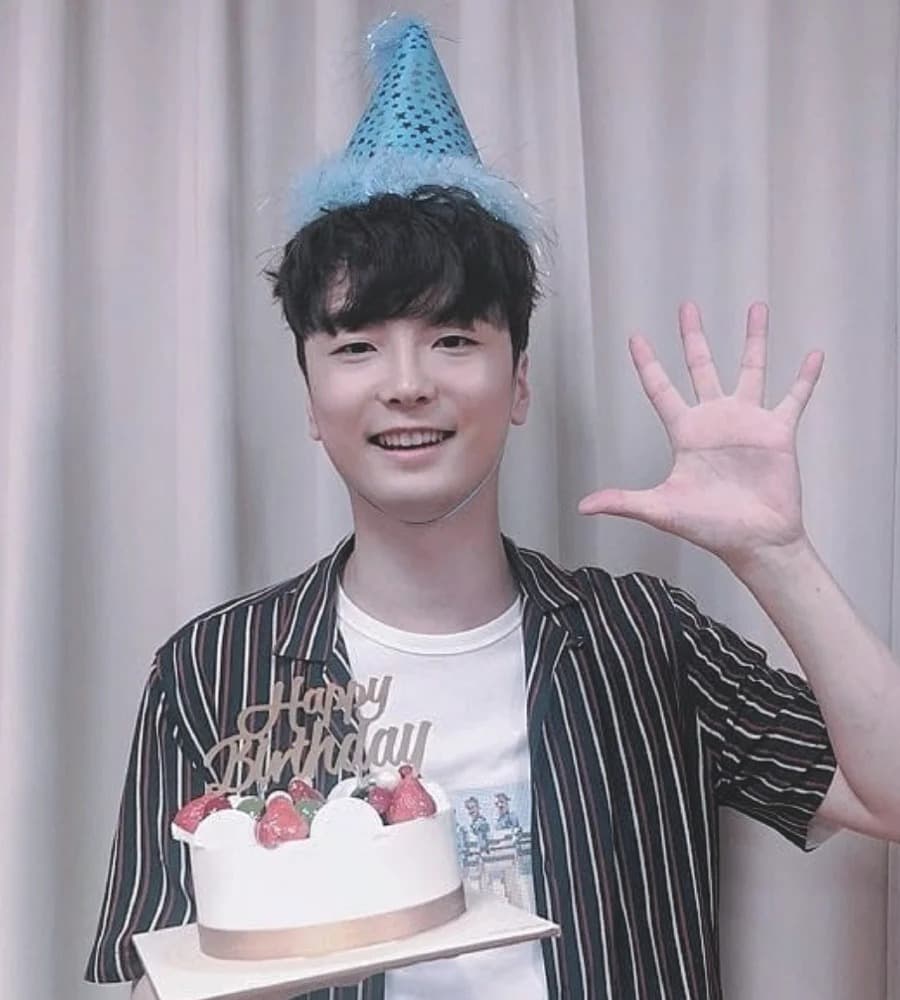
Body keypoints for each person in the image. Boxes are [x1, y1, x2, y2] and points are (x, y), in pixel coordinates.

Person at [86, 16, 900, 1000]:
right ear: (309, 398)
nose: (406, 384)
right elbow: (156, 972)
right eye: (356, 346)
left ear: (518, 381)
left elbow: (887, 797)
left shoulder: (644, 636)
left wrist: (778, 552)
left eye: (453, 340)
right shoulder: (214, 668)